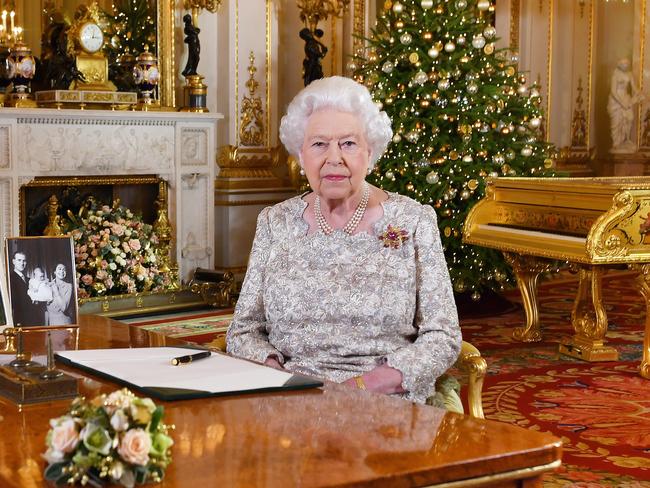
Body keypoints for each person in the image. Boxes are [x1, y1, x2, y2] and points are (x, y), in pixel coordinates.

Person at [226, 76, 462, 404]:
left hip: (385, 401)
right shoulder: (274, 222)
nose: (334, 158)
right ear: (300, 154)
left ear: (370, 151)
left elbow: (443, 336)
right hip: (292, 397)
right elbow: (244, 330)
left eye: (348, 144)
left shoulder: (414, 220)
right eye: (319, 144)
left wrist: (366, 386)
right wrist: (273, 373)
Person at [607, 57, 644, 153]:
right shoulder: (615, 75)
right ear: (619, 64)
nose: (625, 65)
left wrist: (639, 93)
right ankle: (616, 143)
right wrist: (622, 103)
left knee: (630, 118)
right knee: (616, 123)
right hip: (616, 101)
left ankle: (626, 139)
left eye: (627, 63)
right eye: (623, 63)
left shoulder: (629, 74)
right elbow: (613, 91)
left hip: (626, 98)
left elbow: (634, 88)